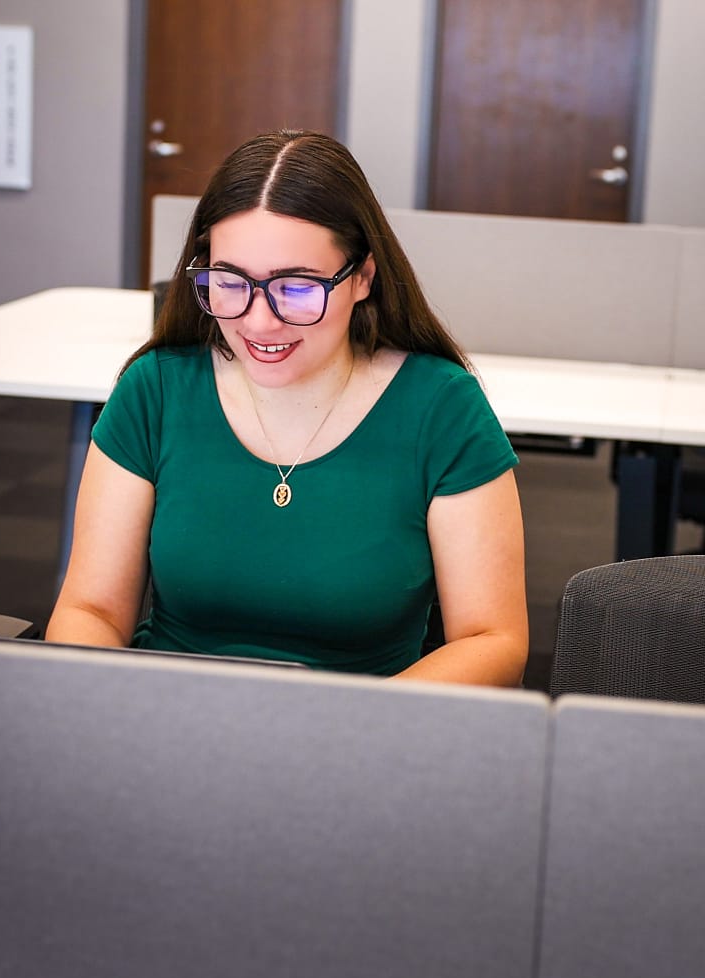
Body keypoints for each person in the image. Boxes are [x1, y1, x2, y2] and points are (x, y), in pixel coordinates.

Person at [46, 129, 527, 686]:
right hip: (168, 721)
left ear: (363, 278)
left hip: (361, 736)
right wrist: (109, 705)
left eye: (296, 288)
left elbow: (493, 640)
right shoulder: (156, 390)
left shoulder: (440, 406)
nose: (258, 321)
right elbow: (92, 612)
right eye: (230, 282)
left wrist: (340, 733)